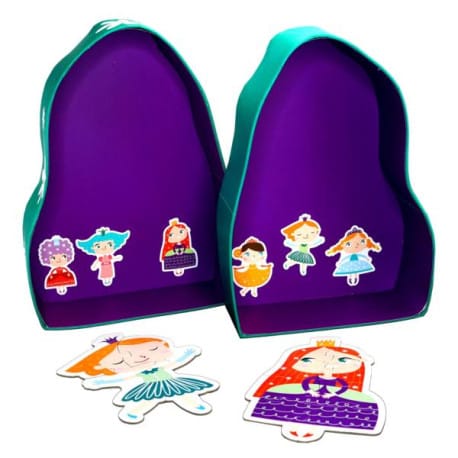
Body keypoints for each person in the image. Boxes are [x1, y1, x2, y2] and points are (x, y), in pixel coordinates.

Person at [244, 339, 384, 442]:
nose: (327, 364)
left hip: (331, 395)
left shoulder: (342, 380)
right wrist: (309, 391)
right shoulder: (304, 379)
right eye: (307, 360)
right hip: (311, 392)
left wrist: (334, 393)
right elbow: (306, 383)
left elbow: (343, 387)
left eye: (342, 360)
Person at [58, 334, 218, 424]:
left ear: (163, 345)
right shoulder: (130, 375)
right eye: (119, 362)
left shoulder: (165, 365)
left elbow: (176, 361)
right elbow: (119, 379)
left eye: (153, 349)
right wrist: (99, 381)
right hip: (147, 388)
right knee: (144, 401)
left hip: (172, 382)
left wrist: (188, 353)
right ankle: (132, 412)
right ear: (101, 368)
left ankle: (196, 404)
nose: (140, 358)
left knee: (183, 393)